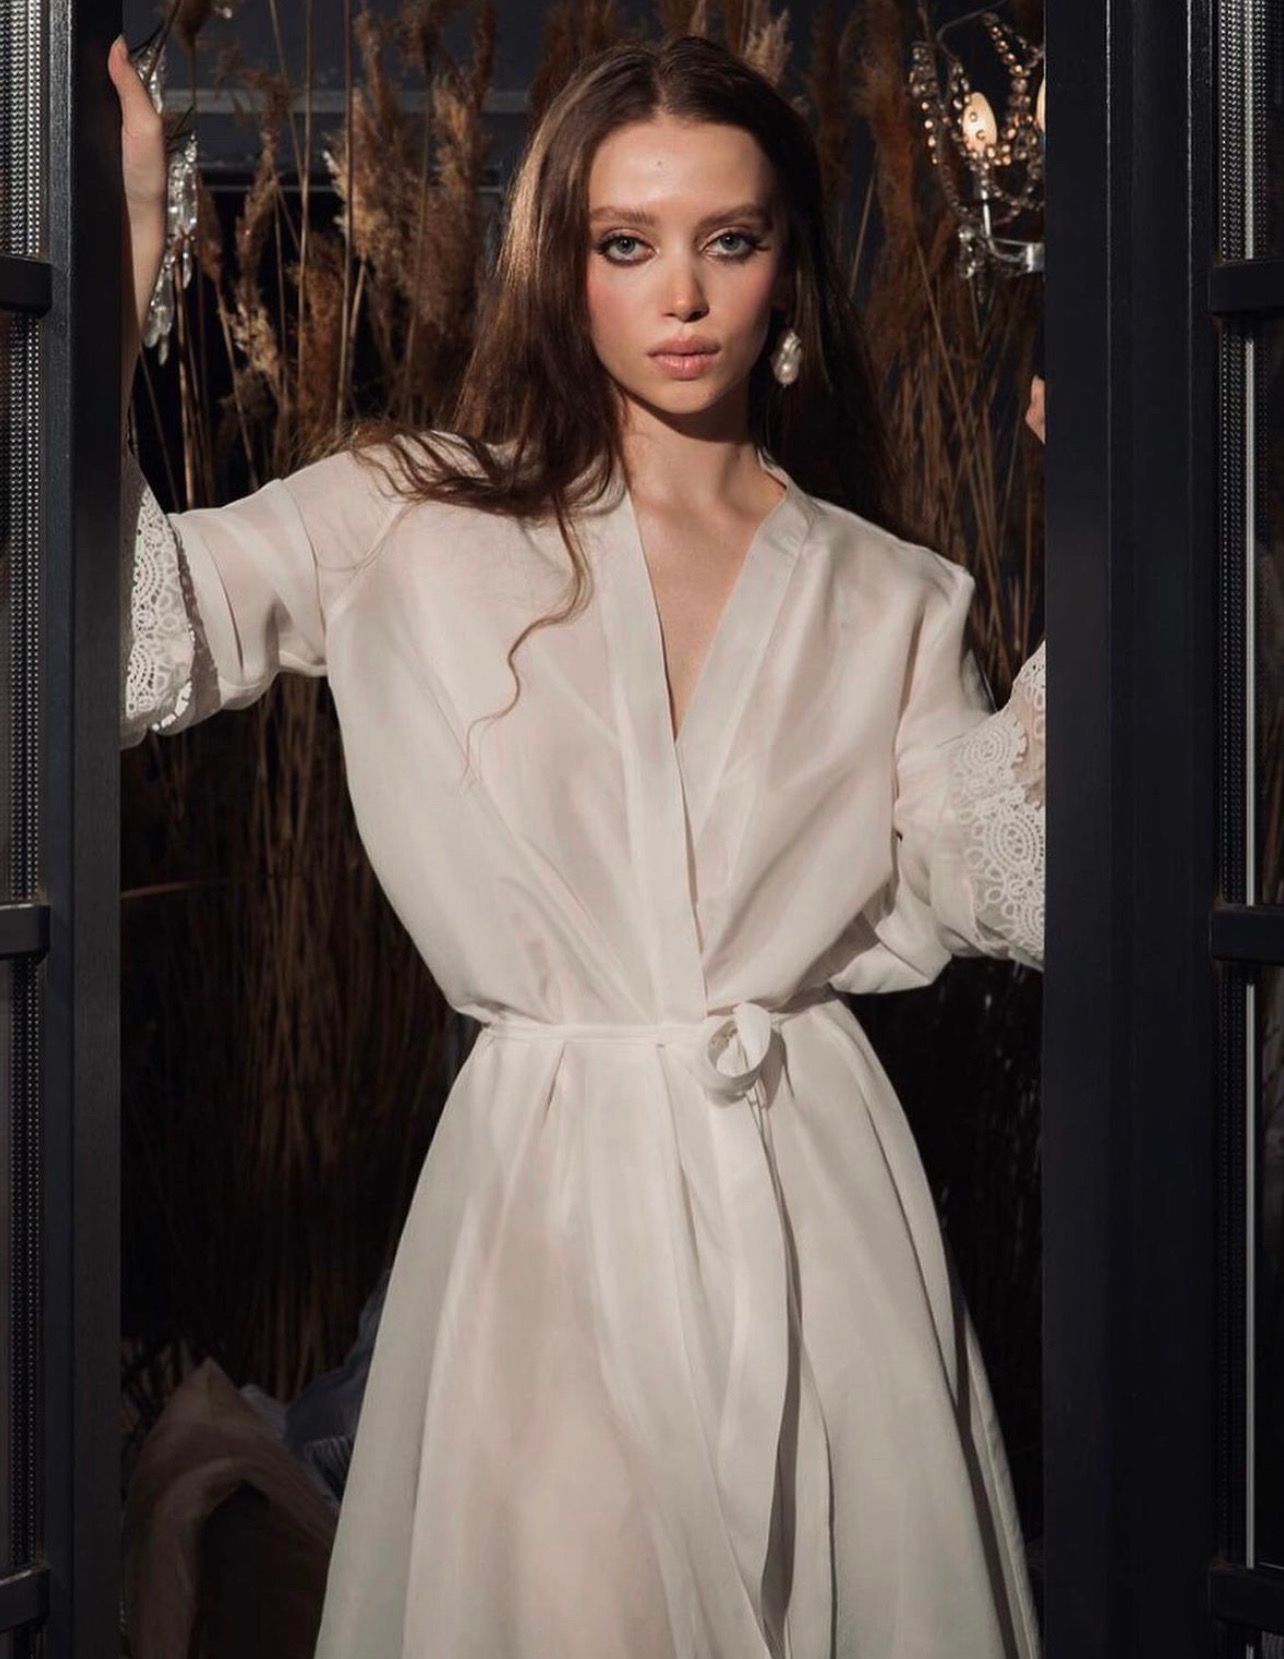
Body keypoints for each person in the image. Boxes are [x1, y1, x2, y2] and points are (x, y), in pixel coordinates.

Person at [110, 27, 1047, 1659]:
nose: (679, 295)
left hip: (817, 1216)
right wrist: (117, 274)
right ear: (568, 268)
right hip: (543, 1210)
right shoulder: (410, 515)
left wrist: (1123, 530)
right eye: (629, 245)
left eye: (728, 241)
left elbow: (1020, 884)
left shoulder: (891, 595)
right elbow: (125, 647)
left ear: (787, 275)